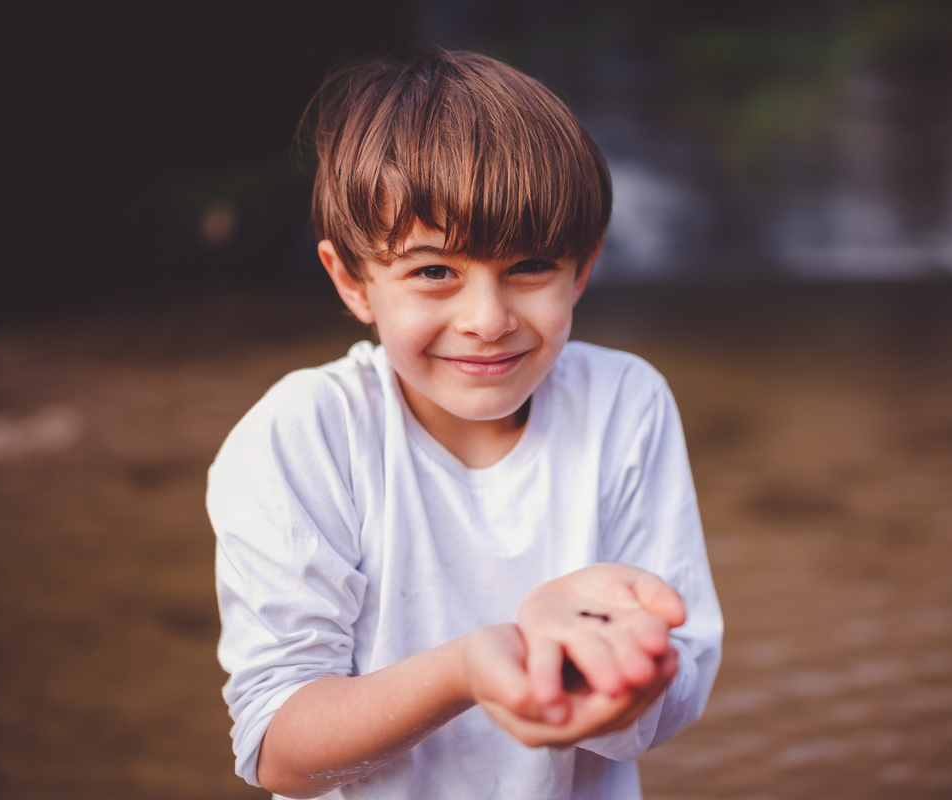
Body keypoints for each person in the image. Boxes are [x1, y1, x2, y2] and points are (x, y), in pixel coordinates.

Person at [207, 48, 723, 800]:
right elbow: (279, 749)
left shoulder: (624, 403)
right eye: (433, 272)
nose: (486, 320)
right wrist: (469, 668)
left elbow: (672, 700)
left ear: (582, 271)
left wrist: (603, 665)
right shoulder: (304, 433)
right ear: (352, 281)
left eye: (530, 266)